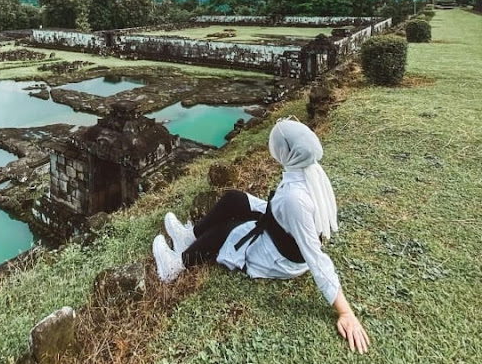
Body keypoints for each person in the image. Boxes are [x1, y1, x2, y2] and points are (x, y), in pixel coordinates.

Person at [152, 117, 371, 354]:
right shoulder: (307, 168)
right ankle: (190, 237)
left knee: (227, 231)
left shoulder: (294, 200)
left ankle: (175, 266)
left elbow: (315, 257)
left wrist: (345, 311)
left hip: (281, 255)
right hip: (281, 228)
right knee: (235, 198)